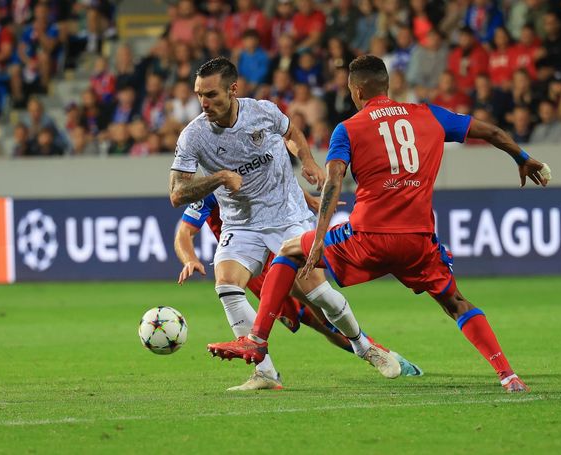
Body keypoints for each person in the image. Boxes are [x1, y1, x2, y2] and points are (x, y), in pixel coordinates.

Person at [207, 55, 553, 393]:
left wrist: (319, 238)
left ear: (356, 91)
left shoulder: (349, 129)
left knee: (288, 251)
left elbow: (333, 182)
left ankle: (256, 341)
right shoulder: (428, 115)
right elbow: (489, 130)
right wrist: (522, 158)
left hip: (367, 238)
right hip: (418, 241)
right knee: (457, 303)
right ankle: (508, 375)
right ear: (386, 85)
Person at [169, 57, 404, 390]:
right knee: (226, 284)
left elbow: (291, 131)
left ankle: (364, 347)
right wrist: (219, 178)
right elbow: (177, 192)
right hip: (243, 222)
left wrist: (307, 160)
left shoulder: (262, 111)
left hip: (287, 216)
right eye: (199, 95)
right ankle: (264, 372)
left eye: (211, 95)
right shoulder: (194, 136)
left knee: (320, 295)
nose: (204, 103)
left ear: (233, 89)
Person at [174, 192, 423, 391]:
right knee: (311, 320)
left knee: (322, 313)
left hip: (279, 246)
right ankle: (264, 372)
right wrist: (189, 259)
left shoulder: (250, 157)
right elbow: (184, 232)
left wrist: (310, 200)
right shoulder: (210, 187)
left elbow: (278, 178)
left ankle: (378, 352)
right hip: (250, 265)